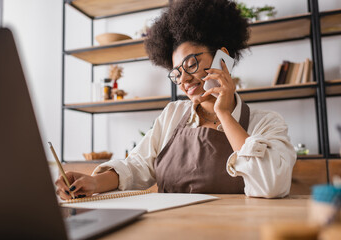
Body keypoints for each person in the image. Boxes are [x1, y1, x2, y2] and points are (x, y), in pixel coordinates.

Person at [55, 0, 296, 199]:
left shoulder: (265, 124)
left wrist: (224, 114)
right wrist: (94, 183)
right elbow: (138, 166)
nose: (184, 80)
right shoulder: (172, 114)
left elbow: (271, 185)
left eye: (191, 63)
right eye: (176, 73)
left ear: (222, 59)